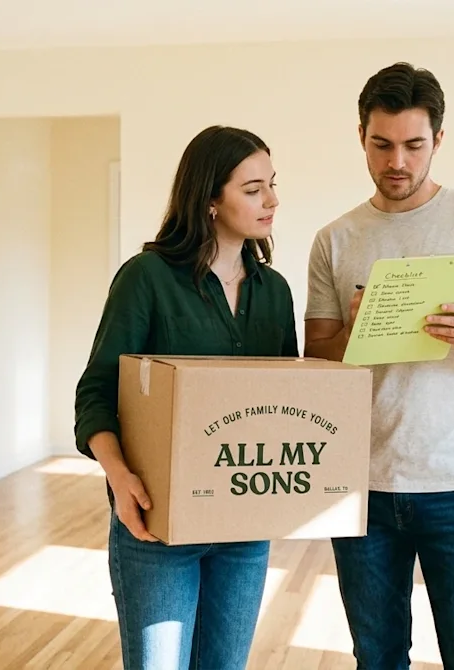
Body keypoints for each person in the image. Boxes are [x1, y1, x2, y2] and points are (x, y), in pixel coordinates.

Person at [303, 62, 454, 669]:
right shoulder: (334, 239)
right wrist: (352, 334)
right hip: (362, 488)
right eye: (381, 145)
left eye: (414, 145)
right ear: (361, 136)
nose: (397, 162)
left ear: (438, 139)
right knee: (377, 657)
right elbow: (315, 358)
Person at [73, 124, 297, 670]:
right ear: (210, 201)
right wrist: (119, 478)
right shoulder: (145, 279)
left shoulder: (276, 292)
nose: (271, 199)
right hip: (156, 529)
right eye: (252, 189)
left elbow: (291, 404)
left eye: (271, 184)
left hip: (245, 528)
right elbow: (96, 392)